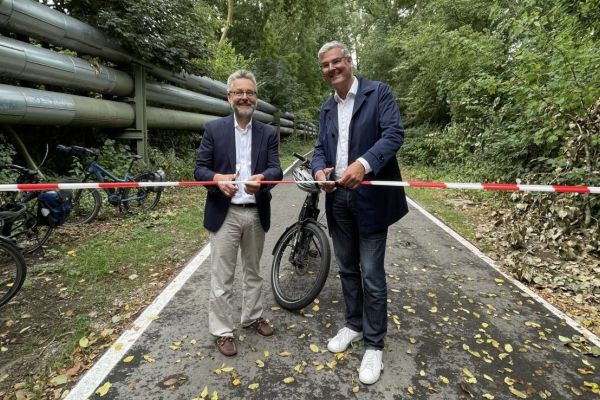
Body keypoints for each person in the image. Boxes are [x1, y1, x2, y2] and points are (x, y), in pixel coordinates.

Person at [311, 41, 408, 384]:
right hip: (337, 198)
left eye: (337, 61)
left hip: (370, 197)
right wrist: (321, 172)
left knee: (371, 273)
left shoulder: (378, 93)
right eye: (325, 65)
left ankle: (374, 345)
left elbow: (394, 134)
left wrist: (364, 165)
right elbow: (320, 148)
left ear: (349, 62)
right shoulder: (326, 108)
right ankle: (353, 324)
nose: (332, 68)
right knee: (347, 267)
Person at [195, 69, 283, 357]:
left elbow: (276, 169)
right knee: (222, 277)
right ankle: (222, 331)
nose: (245, 97)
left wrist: (264, 178)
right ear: (229, 96)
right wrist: (218, 179)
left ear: (255, 97)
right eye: (239, 92)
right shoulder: (214, 129)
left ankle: (252, 317)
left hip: (256, 211)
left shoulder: (268, 132)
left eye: (250, 92)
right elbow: (200, 170)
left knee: (253, 271)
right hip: (226, 213)